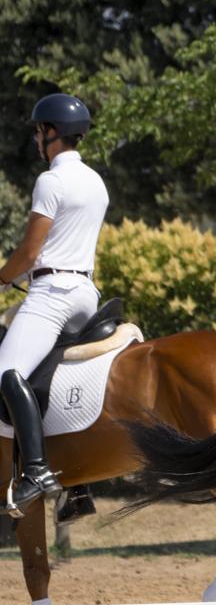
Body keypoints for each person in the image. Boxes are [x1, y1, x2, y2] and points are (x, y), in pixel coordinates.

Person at [0, 93, 107, 513]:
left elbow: (29, 254)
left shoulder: (51, 181)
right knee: (48, 375)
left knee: (7, 371)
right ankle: (78, 487)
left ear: (51, 133)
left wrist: (3, 279)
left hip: (53, 293)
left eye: (38, 131)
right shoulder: (96, 181)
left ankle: (38, 471)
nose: (36, 139)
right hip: (86, 295)